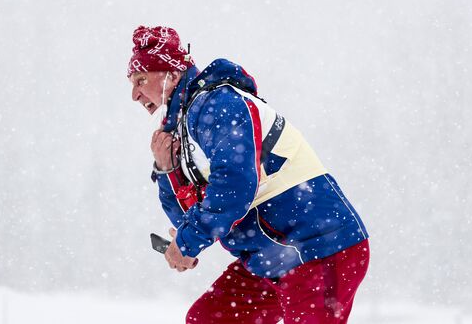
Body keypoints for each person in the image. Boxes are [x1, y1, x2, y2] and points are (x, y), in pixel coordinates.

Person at [126, 25, 370, 324]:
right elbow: (190, 214)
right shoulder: (182, 127)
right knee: (209, 319)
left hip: (318, 246)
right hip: (272, 257)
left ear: (172, 74)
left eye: (141, 79)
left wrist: (189, 242)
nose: (135, 94)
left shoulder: (219, 104)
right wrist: (166, 169)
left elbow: (234, 188)